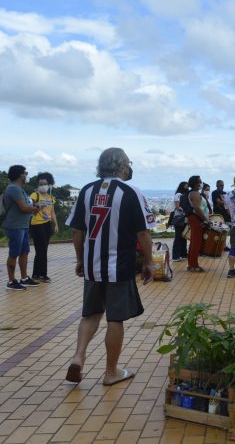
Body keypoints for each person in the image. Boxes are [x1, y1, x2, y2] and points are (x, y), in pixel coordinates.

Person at [65, 147, 156, 386]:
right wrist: (149, 262)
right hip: (119, 265)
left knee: (91, 314)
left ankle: (78, 357)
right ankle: (111, 372)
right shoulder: (130, 192)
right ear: (123, 166)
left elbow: (76, 231)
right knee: (115, 319)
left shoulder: (87, 190)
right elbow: (143, 233)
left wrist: (80, 259)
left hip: (92, 265)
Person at [3, 165, 41, 290]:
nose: (26, 176)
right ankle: (11, 281)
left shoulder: (20, 189)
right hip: (15, 226)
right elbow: (23, 207)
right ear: (19, 175)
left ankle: (24, 278)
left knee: (24, 252)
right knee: (14, 253)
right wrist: (35, 208)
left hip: (23, 225)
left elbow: (26, 205)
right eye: (25, 173)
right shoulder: (13, 188)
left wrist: (33, 207)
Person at [29, 172, 59, 282]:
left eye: (45, 184)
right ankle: (43, 274)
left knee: (42, 250)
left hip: (47, 224)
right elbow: (29, 205)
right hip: (37, 224)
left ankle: (36, 274)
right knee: (41, 250)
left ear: (49, 184)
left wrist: (55, 224)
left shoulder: (51, 198)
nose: (43, 186)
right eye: (40, 184)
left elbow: (52, 212)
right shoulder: (35, 195)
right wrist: (36, 205)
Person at [183, 175, 212, 272]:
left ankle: (191, 264)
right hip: (196, 219)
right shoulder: (195, 194)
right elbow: (197, 208)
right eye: (199, 181)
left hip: (196, 219)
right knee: (196, 242)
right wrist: (205, 219)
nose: (201, 183)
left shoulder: (194, 193)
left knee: (194, 242)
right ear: (195, 183)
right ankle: (194, 265)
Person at [171, 181, 189, 262]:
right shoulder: (178, 195)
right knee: (178, 237)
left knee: (183, 236)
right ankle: (175, 256)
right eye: (186, 186)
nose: (187, 187)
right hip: (179, 218)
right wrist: (185, 211)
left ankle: (183, 253)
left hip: (184, 219)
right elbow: (177, 207)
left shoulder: (184, 195)